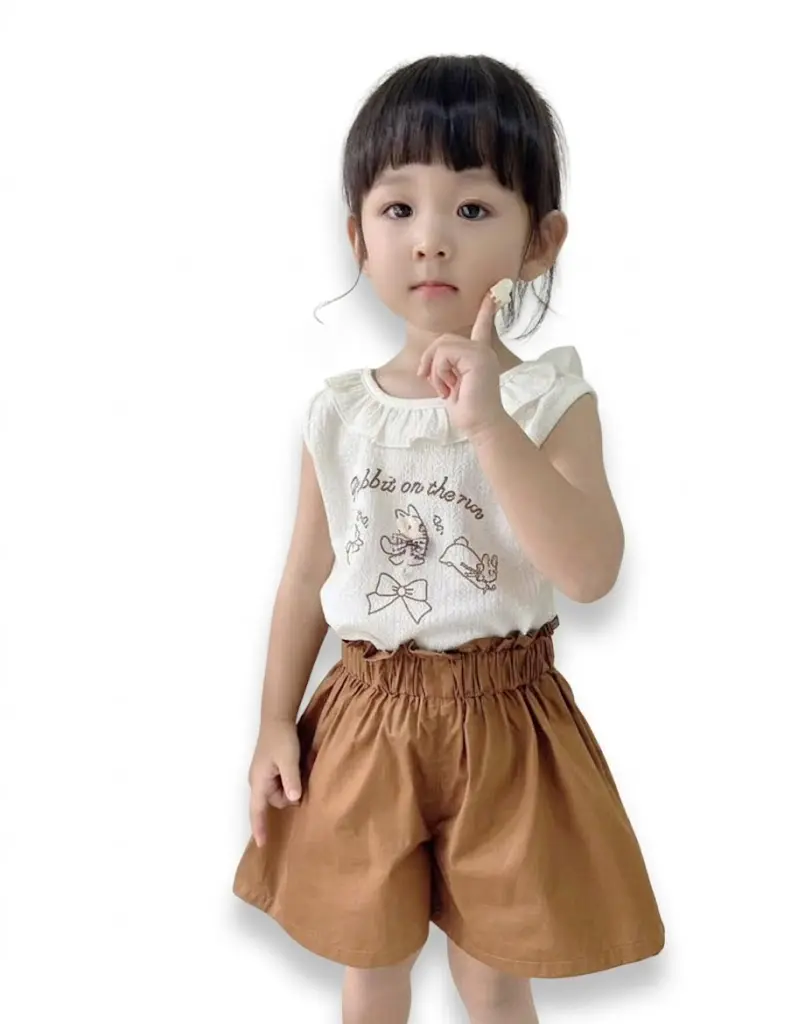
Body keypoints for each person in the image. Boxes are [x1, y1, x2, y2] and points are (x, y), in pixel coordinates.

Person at [232, 53, 665, 1024]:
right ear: (358, 235)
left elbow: (590, 571)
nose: (431, 238)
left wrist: (489, 425)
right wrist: (271, 721)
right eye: (399, 208)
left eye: (472, 208)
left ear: (539, 242)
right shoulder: (340, 413)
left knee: (493, 970)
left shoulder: (549, 401)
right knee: (370, 961)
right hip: (364, 715)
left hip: (506, 721)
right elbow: (305, 578)